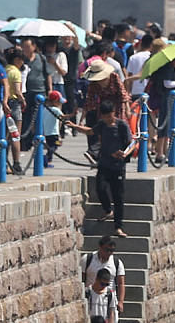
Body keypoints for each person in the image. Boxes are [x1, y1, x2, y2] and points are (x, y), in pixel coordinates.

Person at [65, 102, 131, 237]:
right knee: (100, 188)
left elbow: (132, 143)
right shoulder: (102, 124)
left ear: (114, 113)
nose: (107, 118)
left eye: (109, 115)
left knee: (118, 198)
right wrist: (75, 126)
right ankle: (107, 210)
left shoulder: (122, 125)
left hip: (118, 166)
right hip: (104, 163)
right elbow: (90, 131)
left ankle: (118, 227)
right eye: (104, 116)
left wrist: (125, 153)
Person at [82, 235, 127, 310]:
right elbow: (81, 279)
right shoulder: (87, 259)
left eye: (111, 250)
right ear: (100, 247)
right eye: (106, 250)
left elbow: (121, 283)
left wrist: (120, 302)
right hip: (91, 299)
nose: (109, 253)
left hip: (109, 300)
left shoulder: (117, 263)